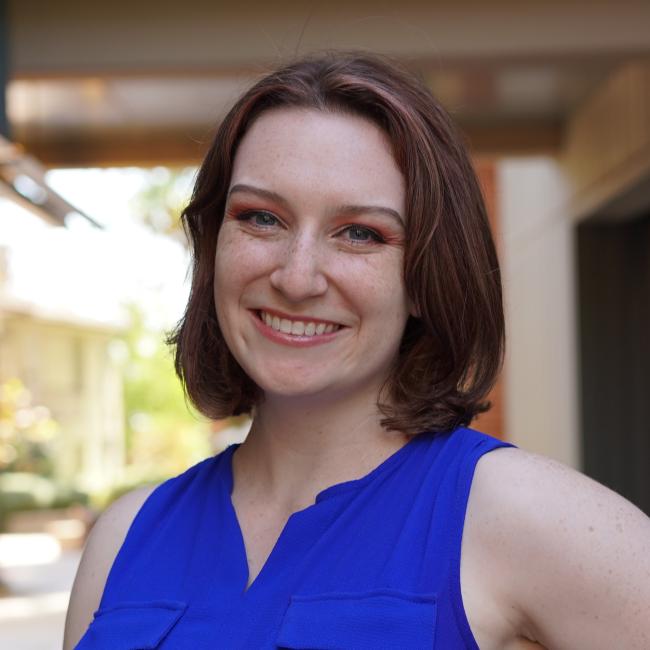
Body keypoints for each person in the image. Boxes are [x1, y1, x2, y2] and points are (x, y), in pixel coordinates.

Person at [64, 52, 650, 649]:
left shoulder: (521, 517)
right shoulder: (123, 540)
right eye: (261, 217)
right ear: (215, 246)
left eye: (361, 233)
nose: (297, 277)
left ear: (426, 277)